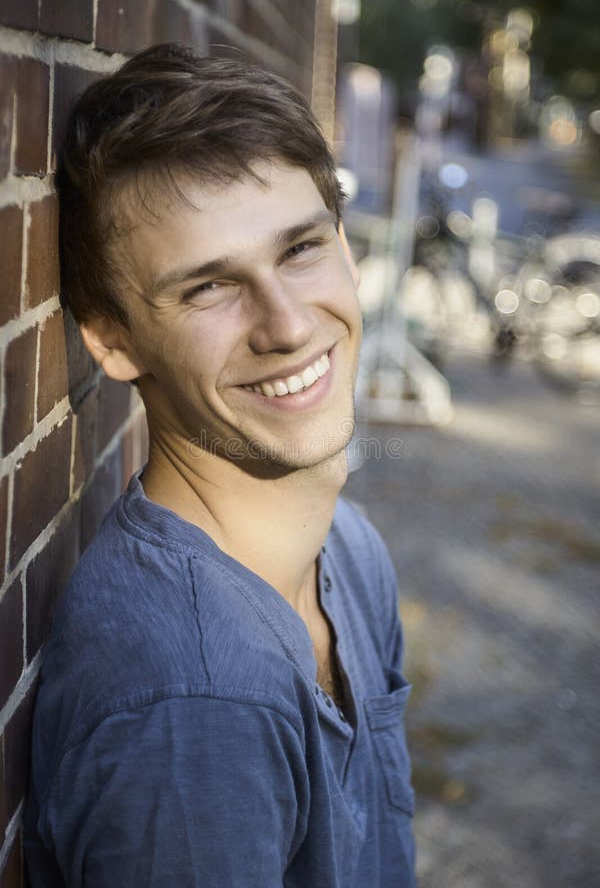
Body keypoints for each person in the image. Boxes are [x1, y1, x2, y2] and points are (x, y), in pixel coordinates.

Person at [24, 44, 416, 887]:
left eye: (301, 249)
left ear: (347, 250)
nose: (286, 324)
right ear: (112, 340)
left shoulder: (348, 553)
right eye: (207, 288)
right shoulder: (194, 703)